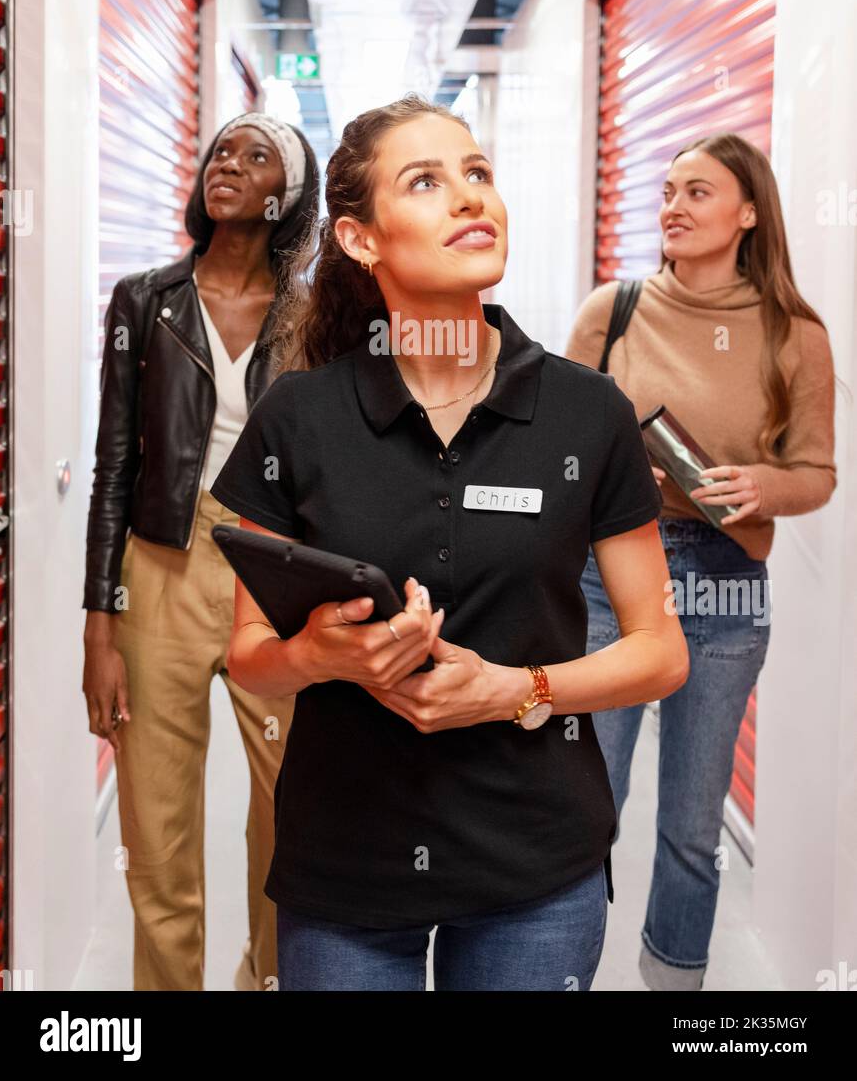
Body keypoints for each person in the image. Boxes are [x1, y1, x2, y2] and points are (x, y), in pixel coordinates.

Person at [207, 92, 689, 992]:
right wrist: (320, 653)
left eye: (477, 174)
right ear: (360, 239)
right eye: (426, 182)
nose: (471, 198)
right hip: (346, 864)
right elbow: (250, 660)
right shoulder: (299, 418)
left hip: (535, 868)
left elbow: (660, 653)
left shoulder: (588, 412)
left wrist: (515, 690)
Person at [565, 132, 837, 991]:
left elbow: (817, 476)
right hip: (610, 579)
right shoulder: (611, 310)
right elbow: (552, 445)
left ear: (748, 214)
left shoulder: (793, 333)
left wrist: (762, 484)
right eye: (668, 190)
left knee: (690, 824)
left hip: (723, 590)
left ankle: (675, 989)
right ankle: (556, 974)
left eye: (699, 192)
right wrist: (608, 472)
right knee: (582, 809)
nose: (672, 207)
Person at [81, 112, 320, 991]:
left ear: (284, 193)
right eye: (222, 149)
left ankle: (265, 979)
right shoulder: (144, 299)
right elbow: (116, 464)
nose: (229, 163)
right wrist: (100, 623)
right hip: (162, 573)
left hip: (276, 580)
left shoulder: (318, 313)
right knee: (159, 838)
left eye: (255, 156)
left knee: (287, 822)